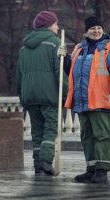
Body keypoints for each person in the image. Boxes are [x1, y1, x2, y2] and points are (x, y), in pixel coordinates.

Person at [16, 11, 68, 175]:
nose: (58, 27)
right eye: (55, 24)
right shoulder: (55, 43)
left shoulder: (24, 46)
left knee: (37, 130)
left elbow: (19, 74)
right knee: (51, 128)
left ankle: (38, 162)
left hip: (29, 95)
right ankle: (46, 161)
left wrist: (22, 95)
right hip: (48, 94)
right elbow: (59, 71)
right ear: (48, 25)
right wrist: (65, 93)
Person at [63, 16, 110, 184]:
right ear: (86, 31)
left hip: (101, 101)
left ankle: (102, 170)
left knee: (102, 136)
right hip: (82, 102)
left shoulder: (108, 48)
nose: (96, 30)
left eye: (99, 27)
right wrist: (64, 60)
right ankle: (91, 169)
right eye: (92, 28)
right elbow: (71, 72)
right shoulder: (78, 48)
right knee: (87, 137)